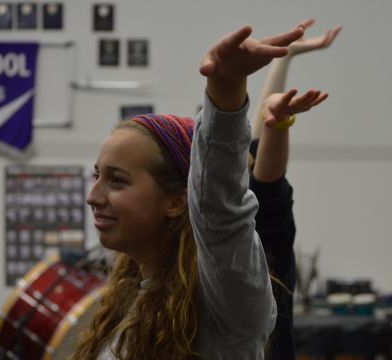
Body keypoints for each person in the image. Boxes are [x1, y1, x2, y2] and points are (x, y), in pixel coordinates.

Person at [71, 23, 312, 360]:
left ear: (178, 200)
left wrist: (226, 88)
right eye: (97, 176)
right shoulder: (131, 300)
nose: (92, 197)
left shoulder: (227, 302)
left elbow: (221, 208)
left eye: (117, 180)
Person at [249, 19, 342, 359]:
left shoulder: (254, 218)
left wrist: (279, 124)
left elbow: (264, 161)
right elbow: (256, 141)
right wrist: (285, 58)